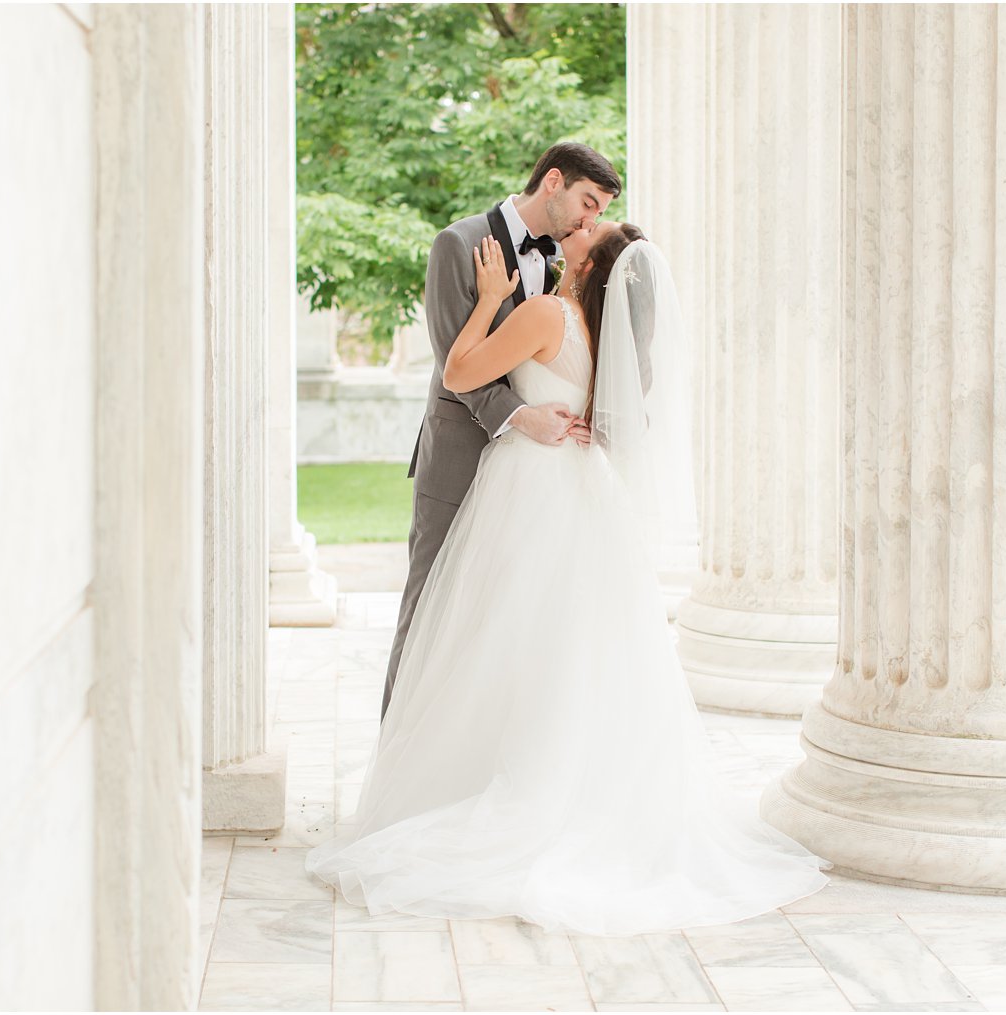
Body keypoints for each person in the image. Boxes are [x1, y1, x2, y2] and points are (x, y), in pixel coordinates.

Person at [306, 222, 831, 936]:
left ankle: (505, 787)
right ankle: (574, 789)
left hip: (530, 488)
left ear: (586, 262)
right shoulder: (605, 333)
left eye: (590, 230)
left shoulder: (546, 312)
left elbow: (459, 374)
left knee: (503, 639)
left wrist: (490, 298)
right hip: (586, 495)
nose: (577, 229)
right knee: (574, 650)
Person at [384, 142, 621, 721]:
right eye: (588, 203)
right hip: (462, 456)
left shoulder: (573, 272)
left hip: (534, 481)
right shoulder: (459, 243)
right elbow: (454, 366)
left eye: (599, 212)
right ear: (554, 182)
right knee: (429, 609)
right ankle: (397, 755)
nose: (591, 220)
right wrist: (522, 417)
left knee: (506, 625)